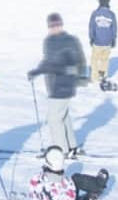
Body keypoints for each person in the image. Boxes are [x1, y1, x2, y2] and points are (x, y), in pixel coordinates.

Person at [30, 13, 88, 157]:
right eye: (51, 26)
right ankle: (72, 146)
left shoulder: (70, 41)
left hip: (64, 85)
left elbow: (78, 65)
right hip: (53, 86)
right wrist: (36, 72)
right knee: (63, 116)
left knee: (54, 119)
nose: (54, 28)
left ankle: (62, 150)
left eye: (57, 25)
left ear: (61, 25)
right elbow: (48, 62)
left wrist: (63, 70)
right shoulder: (49, 41)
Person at [28, 144, 117, 200]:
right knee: (76, 178)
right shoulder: (67, 183)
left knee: (71, 186)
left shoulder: (35, 180)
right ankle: (95, 188)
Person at [87, 0, 118, 91]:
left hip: (97, 41)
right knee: (105, 59)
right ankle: (103, 75)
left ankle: (94, 77)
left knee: (95, 60)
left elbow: (91, 27)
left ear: (100, 2)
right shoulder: (111, 14)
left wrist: (91, 38)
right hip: (108, 42)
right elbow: (114, 28)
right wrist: (113, 39)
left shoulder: (95, 13)